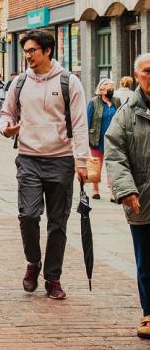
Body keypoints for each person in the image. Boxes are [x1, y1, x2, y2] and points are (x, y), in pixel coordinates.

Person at [0, 29, 88, 300]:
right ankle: (33, 262)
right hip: (28, 157)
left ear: (48, 51)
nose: (28, 56)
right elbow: (6, 113)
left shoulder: (69, 82)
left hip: (61, 160)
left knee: (57, 223)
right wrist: (6, 128)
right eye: (25, 51)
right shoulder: (19, 82)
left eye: (32, 51)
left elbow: (80, 123)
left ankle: (53, 277)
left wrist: (82, 161)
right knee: (28, 215)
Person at [105, 53, 150, 340]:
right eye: (147, 71)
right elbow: (115, 154)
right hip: (142, 198)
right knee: (146, 261)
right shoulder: (126, 113)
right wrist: (127, 190)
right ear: (136, 76)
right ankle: (149, 314)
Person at [87, 78, 120, 201]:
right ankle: (95, 189)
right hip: (97, 139)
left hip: (113, 139)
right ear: (101, 90)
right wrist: (85, 138)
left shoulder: (117, 101)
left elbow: (121, 118)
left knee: (112, 166)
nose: (111, 91)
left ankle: (112, 191)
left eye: (112, 89)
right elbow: (87, 121)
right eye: (109, 89)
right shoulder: (93, 102)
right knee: (96, 166)